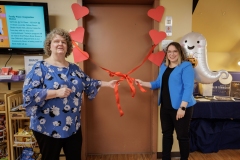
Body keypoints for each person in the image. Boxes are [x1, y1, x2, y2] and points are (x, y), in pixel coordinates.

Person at [22, 28, 117, 160]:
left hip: (72, 126)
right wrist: (56, 92)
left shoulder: (74, 68)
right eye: (56, 41)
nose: (60, 44)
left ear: (68, 47)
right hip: (47, 127)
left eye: (64, 42)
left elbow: (87, 82)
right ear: (49, 45)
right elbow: (29, 94)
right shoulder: (40, 67)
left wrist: (108, 84)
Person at [135, 42, 196, 160]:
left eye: (175, 51)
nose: (172, 54)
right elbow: (157, 83)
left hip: (181, 108)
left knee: (182, 137)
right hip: (165, 107)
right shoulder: (163, 66)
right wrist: (142, 83)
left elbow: (188, 88)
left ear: (180, 53)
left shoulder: (186, 66)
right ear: (166, 53)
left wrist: (182, 107)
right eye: (169, 51)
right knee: (166, 135)